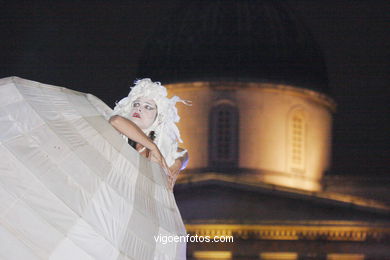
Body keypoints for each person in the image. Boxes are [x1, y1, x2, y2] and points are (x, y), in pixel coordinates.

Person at [109, 78, 190, 189]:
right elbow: (116, 121)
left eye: (147, 107)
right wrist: (152, 147)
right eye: (136, 104)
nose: (139, 109)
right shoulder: (119, 134)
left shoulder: (159, 149)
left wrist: (179, 162)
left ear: (159, 118)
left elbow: (182, 153)